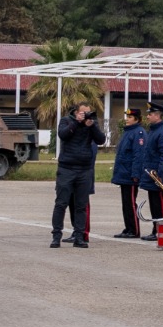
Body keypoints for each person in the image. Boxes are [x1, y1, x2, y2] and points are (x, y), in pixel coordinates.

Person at [51, 102, 105, 248]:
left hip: (84, 169)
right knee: (61, 203)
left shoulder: (91, 123)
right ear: (76, 112)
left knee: (81, 205)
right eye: (83, 112)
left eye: (88, 112)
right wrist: (77, 123)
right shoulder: (66, 120)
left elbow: (101, 140)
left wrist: (91, 125)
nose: (86, 114)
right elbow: (63, 135)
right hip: (66, 168)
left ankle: (79, 236)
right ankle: (56, 236)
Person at [111, 106, 146, 239]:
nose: (127, 119)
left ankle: (134, 230)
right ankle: (128, 227)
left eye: (130, 117)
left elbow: (139, 155)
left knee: (131, 203)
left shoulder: (139, 133)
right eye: (127, 117)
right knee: (126, 203)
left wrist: (136, 174)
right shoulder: (128, 132)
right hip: (124, 173)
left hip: (131, 175)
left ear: (137, 119)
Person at [137, 101, 163, 240]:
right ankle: (156, 230)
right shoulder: (153, 131)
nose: (147, 116)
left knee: (159, 203)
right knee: (154, 203)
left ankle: (161, 230)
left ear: (157, 115)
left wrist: (160, 173)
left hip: (156, 174)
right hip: (151, 173)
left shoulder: (162, 132)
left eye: (150, 114)